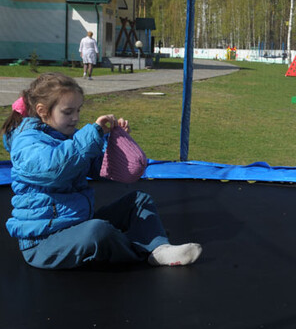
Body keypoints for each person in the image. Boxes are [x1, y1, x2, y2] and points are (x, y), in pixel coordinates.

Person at [1, 72, 202, 270]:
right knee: (97, 231)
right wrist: (89, 138)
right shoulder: (26, 142)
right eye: (68, 112)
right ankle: (142, 250)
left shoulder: (71, 137)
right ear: (43, 111)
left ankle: (159, 248)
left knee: (138, 200)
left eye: (78, 110)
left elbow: (101, 169)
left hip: (76, 224)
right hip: (44, 242)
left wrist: (114, 143)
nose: (75, 118)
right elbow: (53, 169)